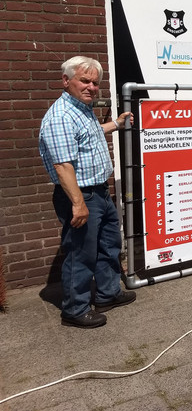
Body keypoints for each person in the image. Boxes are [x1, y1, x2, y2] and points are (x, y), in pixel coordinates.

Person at [39, 56, 136, 328]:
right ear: (66, 80)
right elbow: (62, 165)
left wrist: (115, 124)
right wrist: (78, 204)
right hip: (81, 196)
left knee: (109, 245)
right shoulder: (60, 116)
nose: (91, 87)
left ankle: (107, 293)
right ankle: (74, 309)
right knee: (81, 253)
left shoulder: (81, 109)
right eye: (85, 80)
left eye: (95, 82)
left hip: (99, 193)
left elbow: (89, 136)